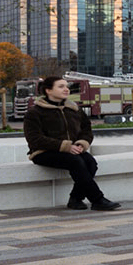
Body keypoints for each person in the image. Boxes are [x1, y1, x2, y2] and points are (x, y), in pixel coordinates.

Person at [24, 76, 121, 211]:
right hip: (43, 152)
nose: (66, 89)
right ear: (48, 90)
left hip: (73, 151)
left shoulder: (73, 109)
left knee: (90, 163)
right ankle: (97, 199)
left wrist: (82, 144)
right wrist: (65, 146)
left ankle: (75, 199)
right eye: (61, 86)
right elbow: (35, 139)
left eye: (66, 86)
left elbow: (86, 129)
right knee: (75, 162)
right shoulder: (35, 112)